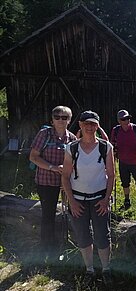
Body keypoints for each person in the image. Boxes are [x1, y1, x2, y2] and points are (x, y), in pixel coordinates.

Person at [62, 110, 115, 287]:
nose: (90, 127)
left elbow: (112, 175)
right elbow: (65, 176)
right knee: (83, 236)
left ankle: (106, 269)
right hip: (78, 199)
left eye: (93, 124)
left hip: (99, 198)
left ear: (97, 126)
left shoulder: (106, 147)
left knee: (102, 235)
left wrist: (106, 199)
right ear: (80, 125)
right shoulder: (72, 148)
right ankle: (90, 270)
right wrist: (72, 201)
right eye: (86, 124)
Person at [29, 105, 76, 255]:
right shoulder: (44, 134)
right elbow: (33, 157)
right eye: (57, 117)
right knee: (48, 213)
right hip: (46, 180)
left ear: (69, 120)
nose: (60, 120)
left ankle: (66, 241)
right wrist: (53, 167)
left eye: (64, 117)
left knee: (68, 212)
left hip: (65, 183)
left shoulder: (72, 139)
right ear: (52, 119)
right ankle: (46, 245)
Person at [111, 109, 136, 210]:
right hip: (123, 161)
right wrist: (114, 149)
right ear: (119, 121)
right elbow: (112, 142)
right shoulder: (116, 130)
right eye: (124, 119)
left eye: (128, 118)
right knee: (125, 182)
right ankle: (127, 200)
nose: (127, 120)